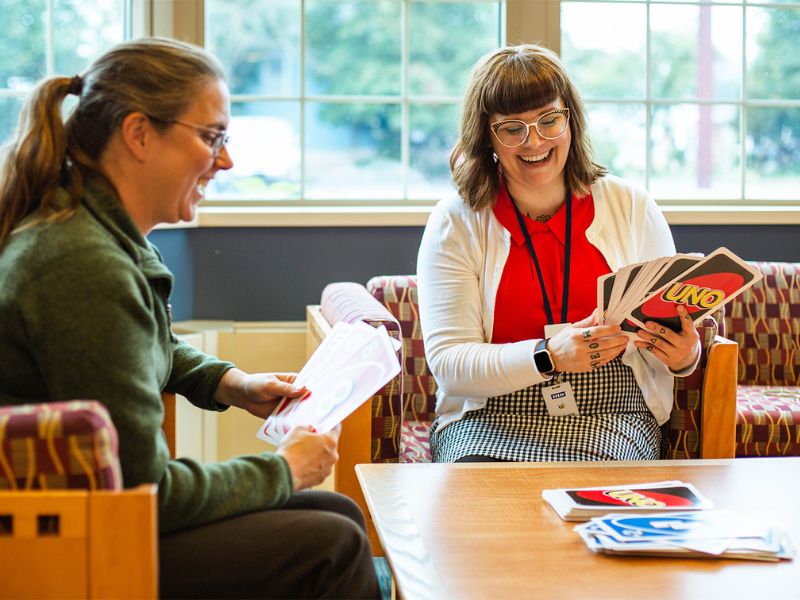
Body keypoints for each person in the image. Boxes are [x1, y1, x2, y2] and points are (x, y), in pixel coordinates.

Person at [0, 38, 380, 599]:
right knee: (335, 544)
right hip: (70, 544)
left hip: (95, 514)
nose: (225, 160)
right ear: (138, 134)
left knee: (336, 513)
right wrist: (283, 469)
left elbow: (135, 344)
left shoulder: (95, 230)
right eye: (212, 137)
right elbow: (146, 488)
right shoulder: (84, 264)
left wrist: (232, 383)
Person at [416, 44, 701, 464]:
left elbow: (668, 326)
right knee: (488, 507)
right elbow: (450, 365)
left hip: (612, 413)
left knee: (599, 497)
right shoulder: (456, 221)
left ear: (570, 118)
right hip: (490, 415)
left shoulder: (631, 205)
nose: (535, 141)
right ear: (486, 135)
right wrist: (549, 355)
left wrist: (685, 356)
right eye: (512, 128)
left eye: (549, 120)